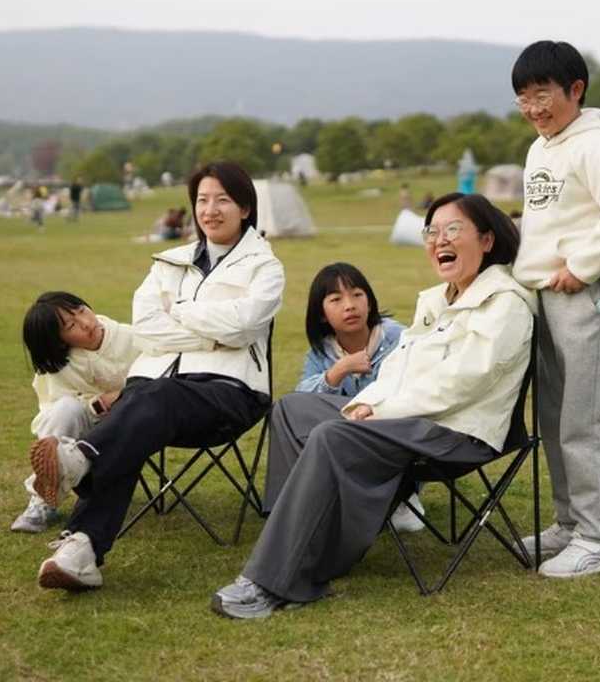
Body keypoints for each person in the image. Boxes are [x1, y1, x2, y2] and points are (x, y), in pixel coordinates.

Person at [211, 192, 535, 619]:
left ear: (487, 240)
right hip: (414, 419)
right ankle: (292, 537)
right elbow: (397, 370)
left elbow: (462, 384)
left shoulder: (504, 304)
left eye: (454, 230)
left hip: (457, 432)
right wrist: (365, 403)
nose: (441, 240)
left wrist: (380, 411)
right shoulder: (439, 301)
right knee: (293, 409)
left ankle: (277, 578)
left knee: (332, 435)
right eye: (432, 232)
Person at [29, 162, 284, 591]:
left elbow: (245, 325)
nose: (210, 209)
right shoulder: (170, 262)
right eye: (202, 200)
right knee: (140, 417)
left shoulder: (265, 267)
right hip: (152, 394)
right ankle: (81, 552)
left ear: (245, 207)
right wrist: (214, 335)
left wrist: (180, 312)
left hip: (229, 395)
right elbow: (146, 325)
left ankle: (83, 463)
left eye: (222, 199)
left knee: (146, 405)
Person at [511, 40, 600, 579]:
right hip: (546, 294)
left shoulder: (597, 145)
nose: (533, 108)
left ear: (575, 90)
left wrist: (584, 265)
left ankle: (596, 539)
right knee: (554, 414)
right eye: (523, 98)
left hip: (586, 293)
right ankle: (569, 524)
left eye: (542, 95)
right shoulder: (541, 148)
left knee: (586, 418)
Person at [278, 262, 423, 532]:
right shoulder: (321, 354)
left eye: (357, 295)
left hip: (392, 436)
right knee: (292, 413)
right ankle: (307, 501)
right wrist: (339, 371)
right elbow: (301, 403)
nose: (350, 305)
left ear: (369, 301)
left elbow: (415, 393)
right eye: (336, 299)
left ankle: (405, 497)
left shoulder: (398, 338)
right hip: (347, 441)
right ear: (322, 315)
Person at [13, 292, 140, 533]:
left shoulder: (131, 337)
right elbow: (53, 413)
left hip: (138, 418)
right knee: (64, 410)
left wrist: (121, 398)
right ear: (59, 341)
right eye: (71, 325)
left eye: (81, 310)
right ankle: (43, 499)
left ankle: (66, 481)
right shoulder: (58, 365)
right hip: (87, 427)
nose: (86, 322)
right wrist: (98, 405)